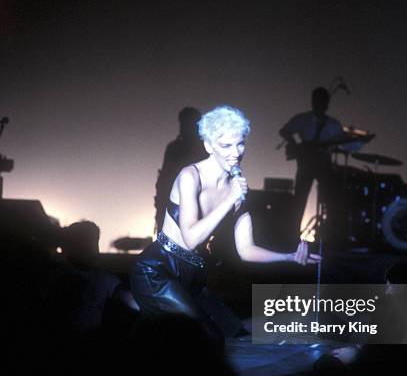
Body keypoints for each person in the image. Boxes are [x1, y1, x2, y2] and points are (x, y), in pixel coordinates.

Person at [131, 106, 320, 344]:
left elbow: (246, 249)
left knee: (237, 335)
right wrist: (230, 198)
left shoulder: (237, 188)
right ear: (209, 146)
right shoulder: (191, 176)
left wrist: (289, 257)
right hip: (158, 271)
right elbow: (190, 239)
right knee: (207, 338)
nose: (236, 153)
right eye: (226, 146)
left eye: (240, 144)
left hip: (194, 277)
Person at [279, 87, 345, 234]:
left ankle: (330, 234)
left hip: (323, 161)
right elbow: (284, 131)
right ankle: (292, 234)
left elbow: (342, 142)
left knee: (329, 198)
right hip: (306, 161)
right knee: (300, 198)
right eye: (318, 100)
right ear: (313, 101)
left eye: (323, 101)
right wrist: (296, 144)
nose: (321, 104)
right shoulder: (302, 119)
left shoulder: (333, 124)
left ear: (327, 104)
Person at [154, 107, 206, 233]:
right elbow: (165, 178)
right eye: (184, 123)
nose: (184, 126)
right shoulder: (173, 148)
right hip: (171, 205)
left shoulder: (204, 149)